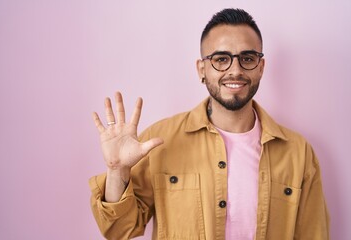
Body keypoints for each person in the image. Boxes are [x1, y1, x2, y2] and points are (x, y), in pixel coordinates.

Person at [89, 8, 329, 240]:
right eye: (221, 59)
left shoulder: (299, 152)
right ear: (201, 69)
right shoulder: (160, 141)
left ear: (261, 68)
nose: (235, 70)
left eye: (247, 58)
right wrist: (116, 170)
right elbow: (119, 230)